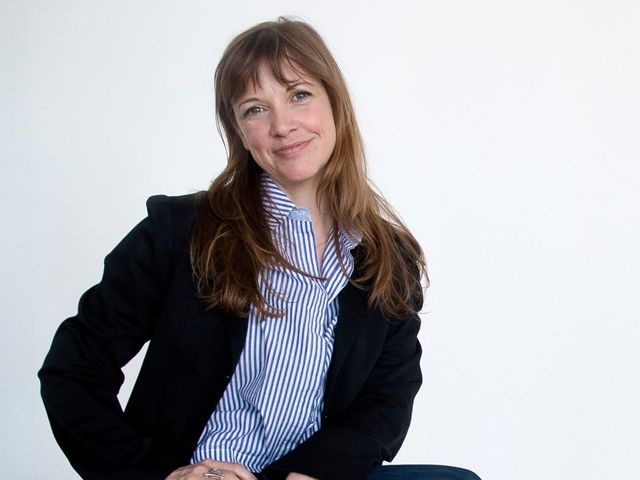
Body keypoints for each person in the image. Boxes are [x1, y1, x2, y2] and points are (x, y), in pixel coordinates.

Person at [39, 17, 480, 480]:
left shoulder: (389, 257)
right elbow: (73, 367)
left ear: (335, 102)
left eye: (299, 95)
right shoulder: (180, 231)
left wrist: (313, 472)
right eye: (255, 109)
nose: (282, 125)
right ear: (238, 129)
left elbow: (387, 399)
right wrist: (156, 474)